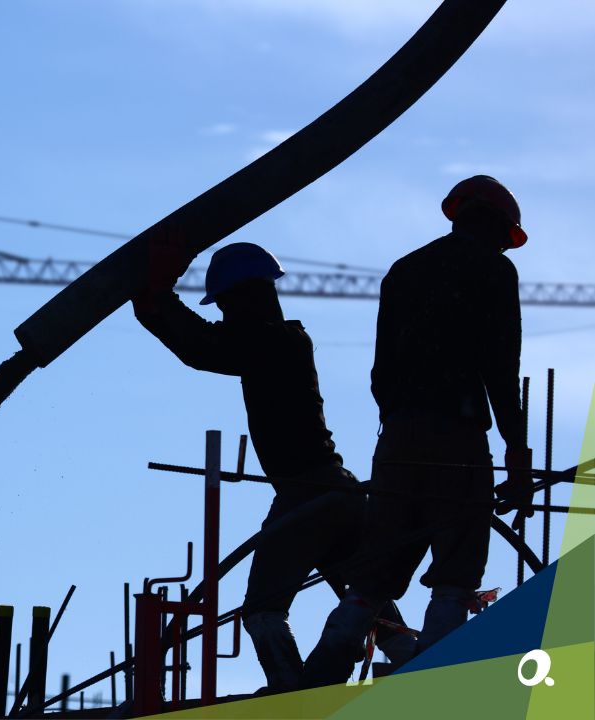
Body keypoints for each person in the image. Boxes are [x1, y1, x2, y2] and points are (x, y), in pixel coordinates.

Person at [132, 239, 412, 694]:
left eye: (225, 304)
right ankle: (414, 660)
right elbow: (203, 346)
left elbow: (203, 348)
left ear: (244, 297)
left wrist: (159, 299)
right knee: (363, 596)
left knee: (262, 609)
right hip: (338, 493)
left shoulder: (272, 343)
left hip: (308, 494)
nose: (222, 314)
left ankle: (289, 688)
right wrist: (155, 311)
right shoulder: (282, 341)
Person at [301, 175, 534, 687]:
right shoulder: (493, 270)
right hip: (458, 436)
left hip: (398, 440)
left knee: (375, 568)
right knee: (457, 568)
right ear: (496, 226)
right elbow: (501, 365)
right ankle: (436, 684)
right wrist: (516, 452)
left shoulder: (403, 271)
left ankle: (316, 678)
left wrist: (404, 427)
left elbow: (380, 374)